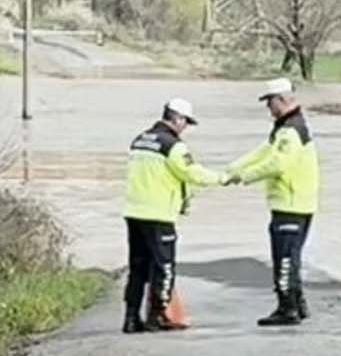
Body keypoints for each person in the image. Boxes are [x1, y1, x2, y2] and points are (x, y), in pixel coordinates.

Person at [121, 97, 223, 333]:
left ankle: (131, 318)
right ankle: (157, 316)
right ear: (176, 118)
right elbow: (192, 174)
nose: (185, 127)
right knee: (163, 267)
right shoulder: (173, 146)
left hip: (134, 213)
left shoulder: (140, 140)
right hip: (159, 215)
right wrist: (223, 177)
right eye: (185, 122)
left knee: (137, 268)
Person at [224, 77, 321, 327]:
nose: (268, 108)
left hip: (290, 203)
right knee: (292, 256)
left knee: (285, 259)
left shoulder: (291, 131)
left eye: (270, 102)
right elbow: (264, 151)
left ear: (282, 100)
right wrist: (235, 167)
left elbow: (278, 163)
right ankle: (298, 304)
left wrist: (244, 176)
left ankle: (287, 308)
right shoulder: (286, 127)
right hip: (297, 202)